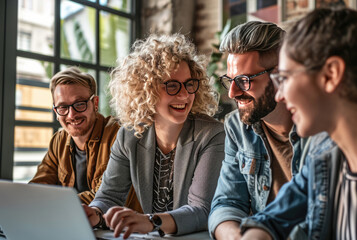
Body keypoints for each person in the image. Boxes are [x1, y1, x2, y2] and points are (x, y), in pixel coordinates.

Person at [241, 2, 357, 239]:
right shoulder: (325, 154)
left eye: (285, 78)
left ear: (330, 74)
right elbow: (269, 220)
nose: (279, 95)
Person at [83, 34, 225, 239]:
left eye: (189, 84)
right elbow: (109, 196)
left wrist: (151, 221)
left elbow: (202, 210)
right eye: (172, 85)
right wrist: (95, 213)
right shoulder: (128, 136)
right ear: (146, 89)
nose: (184, 95)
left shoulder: (211, 134)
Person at [209, 21, 309, 239]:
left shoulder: (317, 127)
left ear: (279, 76)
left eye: (244, 81)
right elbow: (226, 204)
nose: (232, 93)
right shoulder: (238, 127)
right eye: (230, 80)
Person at [30, 67, 141, 212]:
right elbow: (38, 187)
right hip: (70, 222)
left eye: (80, 104)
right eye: (63, 107)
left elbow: (105, 196)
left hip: (117, 229)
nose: (71, 115)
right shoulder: (58, 141)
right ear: (55, 111)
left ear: (95, 103)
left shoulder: (119, 134)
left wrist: (49, 203)